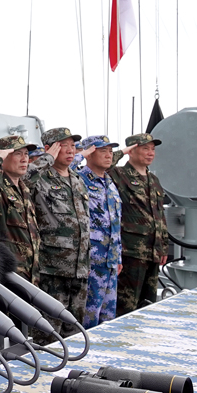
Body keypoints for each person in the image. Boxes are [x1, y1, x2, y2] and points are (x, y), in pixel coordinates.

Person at [25, 127, 89, 344]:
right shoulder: (39, 177)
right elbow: (22, 179)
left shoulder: (78, 180)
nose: (70, 150)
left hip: (80, 267)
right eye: (63, 145)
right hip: (52, 268)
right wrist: (46, 159)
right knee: (48, 333)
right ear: (49, 149)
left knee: (74, 331)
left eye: (73, 145)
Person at [108, 132, 168, 315]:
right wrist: (122, 152)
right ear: (132, 151)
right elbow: (101, 166)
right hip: (131, 252)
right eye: (145, 149)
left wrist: (164, 246)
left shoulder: (154, 180)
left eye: (152, 149)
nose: (150, 153)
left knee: (148, 304)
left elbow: (159, 215)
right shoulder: (119, 174)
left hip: (153, 252)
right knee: (126, 306)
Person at [72, 135, 123, 328]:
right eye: (103, 151)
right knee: (88, 318)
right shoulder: (79, 178)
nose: (109, 155)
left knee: (108, 319)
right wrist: (81, 155)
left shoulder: (110, 183)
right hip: (90, 261)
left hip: (110, 261)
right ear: (90, 154)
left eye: (110, 151)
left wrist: (118, 257)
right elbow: (58, 171)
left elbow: (115, 222)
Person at [0, 135, 41, 282]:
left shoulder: (24, 189)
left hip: (30, 275)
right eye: (17, 154)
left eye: (26, 154)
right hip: (7, 276)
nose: (24, 159)